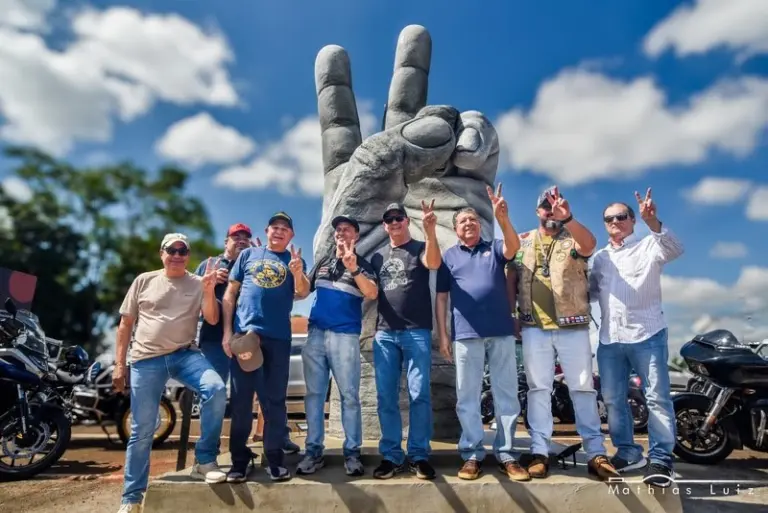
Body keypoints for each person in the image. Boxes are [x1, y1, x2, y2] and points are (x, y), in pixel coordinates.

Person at [510, 185, 618, 480]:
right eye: (545, 206)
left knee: (583, 387)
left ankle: (596, 452)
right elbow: (510, 274)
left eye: (554, 205)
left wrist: (568, 217)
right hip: (534, 326)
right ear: (537, 211)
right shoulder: (523, 242)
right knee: (538, 389)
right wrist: (513, 316)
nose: (550, 210)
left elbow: (590, 244)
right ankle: (540, 451)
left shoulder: (573, 237)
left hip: (572, 324)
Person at [114, 233, 227, 513]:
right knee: (142, 430)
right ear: (161, 253)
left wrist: (209, 289)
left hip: (184, 354)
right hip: (145, 359)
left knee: (216, 388)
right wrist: (120, 365)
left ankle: (204, 461)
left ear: (188, 255)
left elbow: (212, 318)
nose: (177, 255)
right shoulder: (144, 280)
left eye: (183, 250)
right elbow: (125, 324)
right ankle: (132, 498)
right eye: (171, 250)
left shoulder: (198, 282)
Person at [435, 184, 530, 481]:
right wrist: (444, 335)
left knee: (506, 394)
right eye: (463, 221)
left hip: (500, 332)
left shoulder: (494, 248)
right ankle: (472, 454)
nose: (469, 224)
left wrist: (502, 217)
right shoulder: (448, 257)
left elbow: (513, 248)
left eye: (474, 220)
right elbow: (441, 298)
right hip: (465, 334)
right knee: (467, 396)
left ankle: (506, 454)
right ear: (455, 229)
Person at [590, 189, 684, 487]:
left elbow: (674, 248)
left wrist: (653, 221)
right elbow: (588, 292)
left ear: (632, 220)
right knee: (613, 400)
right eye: (609, 219)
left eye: (621, 216)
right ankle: (629, 452)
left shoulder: (649, 246)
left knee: (657, 398)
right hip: (610, 339)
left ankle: (660, 459)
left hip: (648, 334)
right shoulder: (600, 258)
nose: (614, 222)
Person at [195, 224, 299, 454]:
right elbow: (194, 303)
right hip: (215, 339)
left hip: (247, 338)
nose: (241, 240)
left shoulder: (255, 260)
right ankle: (207, 454)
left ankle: (277, 437)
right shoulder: (210, 265)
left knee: (266, 393)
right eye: (236, 236)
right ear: (226, 241)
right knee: (215, 395)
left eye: (246, 237)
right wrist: (210, 286)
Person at [222, 212, 309, 483]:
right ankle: (239, 460)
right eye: (275, 227)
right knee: (241, 402)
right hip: (246, 337)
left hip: (279, 340)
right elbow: (230, 293)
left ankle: (274, 459)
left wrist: (297, 273)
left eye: (285, 228)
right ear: (267, 230)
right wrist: (227, 333)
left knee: (274, 403)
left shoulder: (295, 261)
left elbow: (304, 292)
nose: (279, 231)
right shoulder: (248, 256)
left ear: (291, 235)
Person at [296, 214, 378, 476]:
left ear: (356, 235)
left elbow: (372, 293)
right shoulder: (322, 261)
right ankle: (313, 452)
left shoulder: (363, 264)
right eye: (338, 230)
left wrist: (353, 267)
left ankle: (352, 453)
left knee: (350, 397)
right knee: (314, 396)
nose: (341, 233)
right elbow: (302, 291)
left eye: (347, 229)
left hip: (345, 336)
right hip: (316, 334)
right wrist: (297, 273)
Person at [369, 201, 441, 480]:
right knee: (386, 397)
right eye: (389, 219)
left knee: (419, 394)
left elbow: (434, 263)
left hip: (416, 332)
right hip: (385, 334)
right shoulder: (377, 256)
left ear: (407, 221)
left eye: (399, 217)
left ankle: (419, 455)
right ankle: (391, 456)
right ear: (384, 225)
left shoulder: (422, 248)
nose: (394, 222)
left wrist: (431, 231)